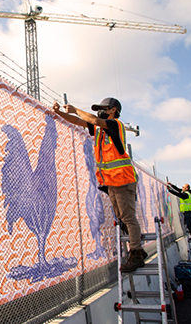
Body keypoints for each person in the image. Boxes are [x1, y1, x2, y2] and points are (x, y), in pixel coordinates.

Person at [53, 97, 146, 272]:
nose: (100, 111)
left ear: (113, 110)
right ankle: (136, 246)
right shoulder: (100, 131)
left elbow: (93, 119)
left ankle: (137, 252)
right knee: (121, 216)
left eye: (104, 108)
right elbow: (80, 122)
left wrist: (75, 109)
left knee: (127, 217)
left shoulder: (115, 125)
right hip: (112, 181)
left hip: (123, 179)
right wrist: (60, 113)